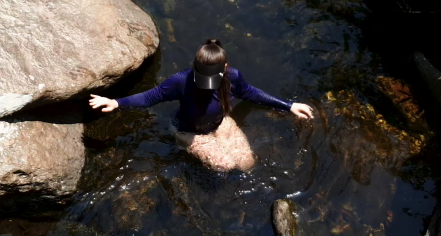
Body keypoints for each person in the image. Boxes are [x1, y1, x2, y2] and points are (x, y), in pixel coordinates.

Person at [89, 39, 314, 171]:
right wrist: (115, 102)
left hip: (220, 123)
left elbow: (251, 93)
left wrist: (289, 105)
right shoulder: (180, 81)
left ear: (225, 68)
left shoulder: (233, 77)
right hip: (189, 131)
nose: (207, 87)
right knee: (224, 166)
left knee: (247, 164)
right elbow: (150, 97)